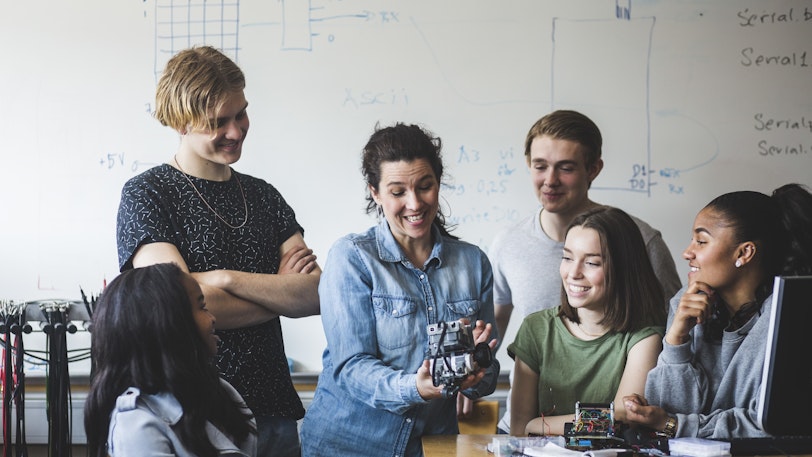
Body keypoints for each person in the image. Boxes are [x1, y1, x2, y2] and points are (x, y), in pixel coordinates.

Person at [115, 45, 320, 456]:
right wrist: (279, 292)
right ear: (180, 122)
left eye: (241, 113)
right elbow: (176, 305)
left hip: (273, 407)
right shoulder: (148, 195)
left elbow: (314, 294)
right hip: (190, 413)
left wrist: (224, 280)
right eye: (218, 122)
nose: (236, 130)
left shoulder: (264, 196)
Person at [299, 123, 500, 457]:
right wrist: (415, 388)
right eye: (397, 192)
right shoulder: (353, 257)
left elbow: (487, 378)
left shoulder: (473, 263)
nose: (415, 203)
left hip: (432, 446)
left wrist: (477, 369)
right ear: (375, 193)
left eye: (425, 186)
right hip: (348, 445)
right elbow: (352, 367)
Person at [489, 109, 682, 433]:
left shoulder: (639, 242)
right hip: (528, 434)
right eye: (540, 166)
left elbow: (673, 332)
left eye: (565, 168)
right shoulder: (508, 243)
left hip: (614, 437)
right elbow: (493, 325)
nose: (550, 180)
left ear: (593, 169)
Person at [623, 183, 812, 439]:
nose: (687, 253)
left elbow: (769, 425)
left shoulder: (787, 319)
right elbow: (666, 412)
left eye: (701, 241)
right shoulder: (685, 303)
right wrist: (677, 340)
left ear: (744, 252)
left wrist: (675, 425)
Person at [508, 206, 666, 436]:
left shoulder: (644, 336)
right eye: (567, 258)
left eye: (591, 263)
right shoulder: (536, 328)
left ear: (623, 269)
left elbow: (623, 418)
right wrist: (531, 426)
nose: (573, 273)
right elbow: (520, 432)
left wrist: (541, 425)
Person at [84, 262, 256, 457]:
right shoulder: (136, 424)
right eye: (202, 307)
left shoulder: (221, 390)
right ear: (169, 324)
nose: (213, 318)